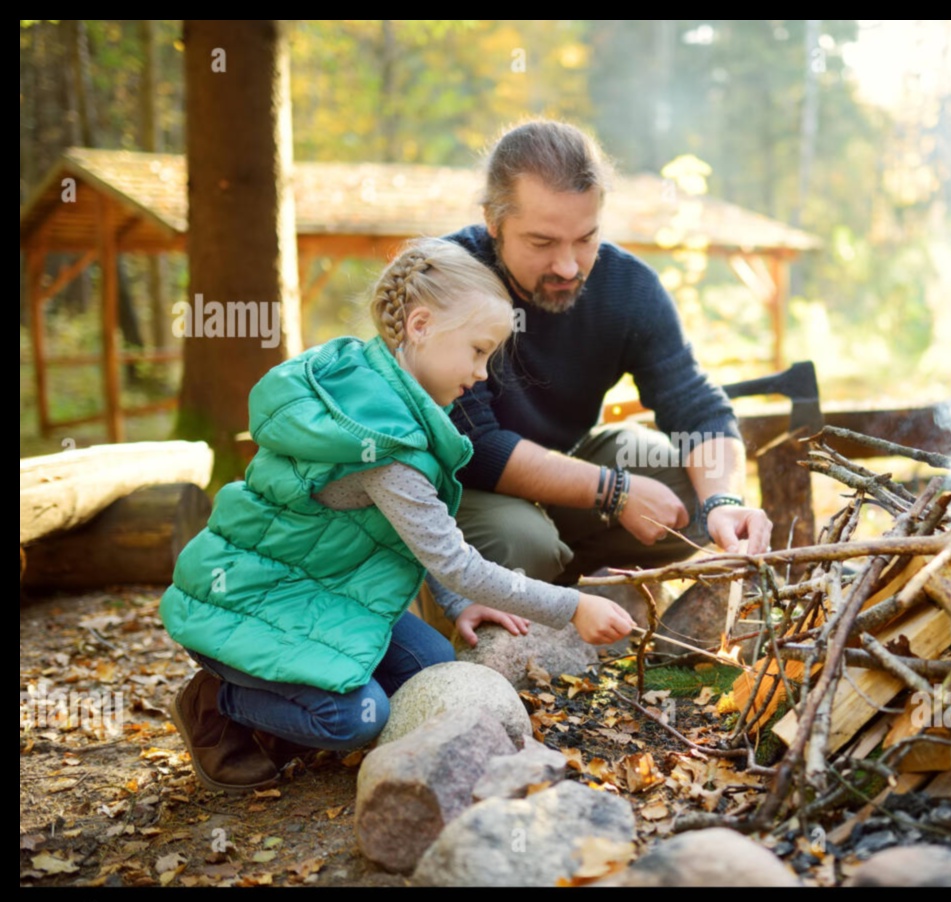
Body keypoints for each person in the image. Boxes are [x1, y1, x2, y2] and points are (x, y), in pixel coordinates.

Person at [158, 238, 636, 793]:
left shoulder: (377, 391)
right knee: (354, 720)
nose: (483, 373)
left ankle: (279, 708)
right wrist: (572, 606)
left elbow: (414, 534)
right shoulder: (382, 444)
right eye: (477, 351)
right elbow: (454, 561)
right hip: (248, 600)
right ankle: (217, 702)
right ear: (421, 325)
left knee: (429, 665)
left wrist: (457, 604)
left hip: (318, 587)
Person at [445, 119, 773, 586]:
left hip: (565, 463)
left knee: (689, 494)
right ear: (493, 221)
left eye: (585, 239)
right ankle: (496, 594)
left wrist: (724, 502)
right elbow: (474, 447)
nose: (568, 266)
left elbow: (697, 406)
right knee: (522, 542)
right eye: (542, 242)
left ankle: (573, 585)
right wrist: (614, 491)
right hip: (459, 487)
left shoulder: (628, 287)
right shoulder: (447, 280)